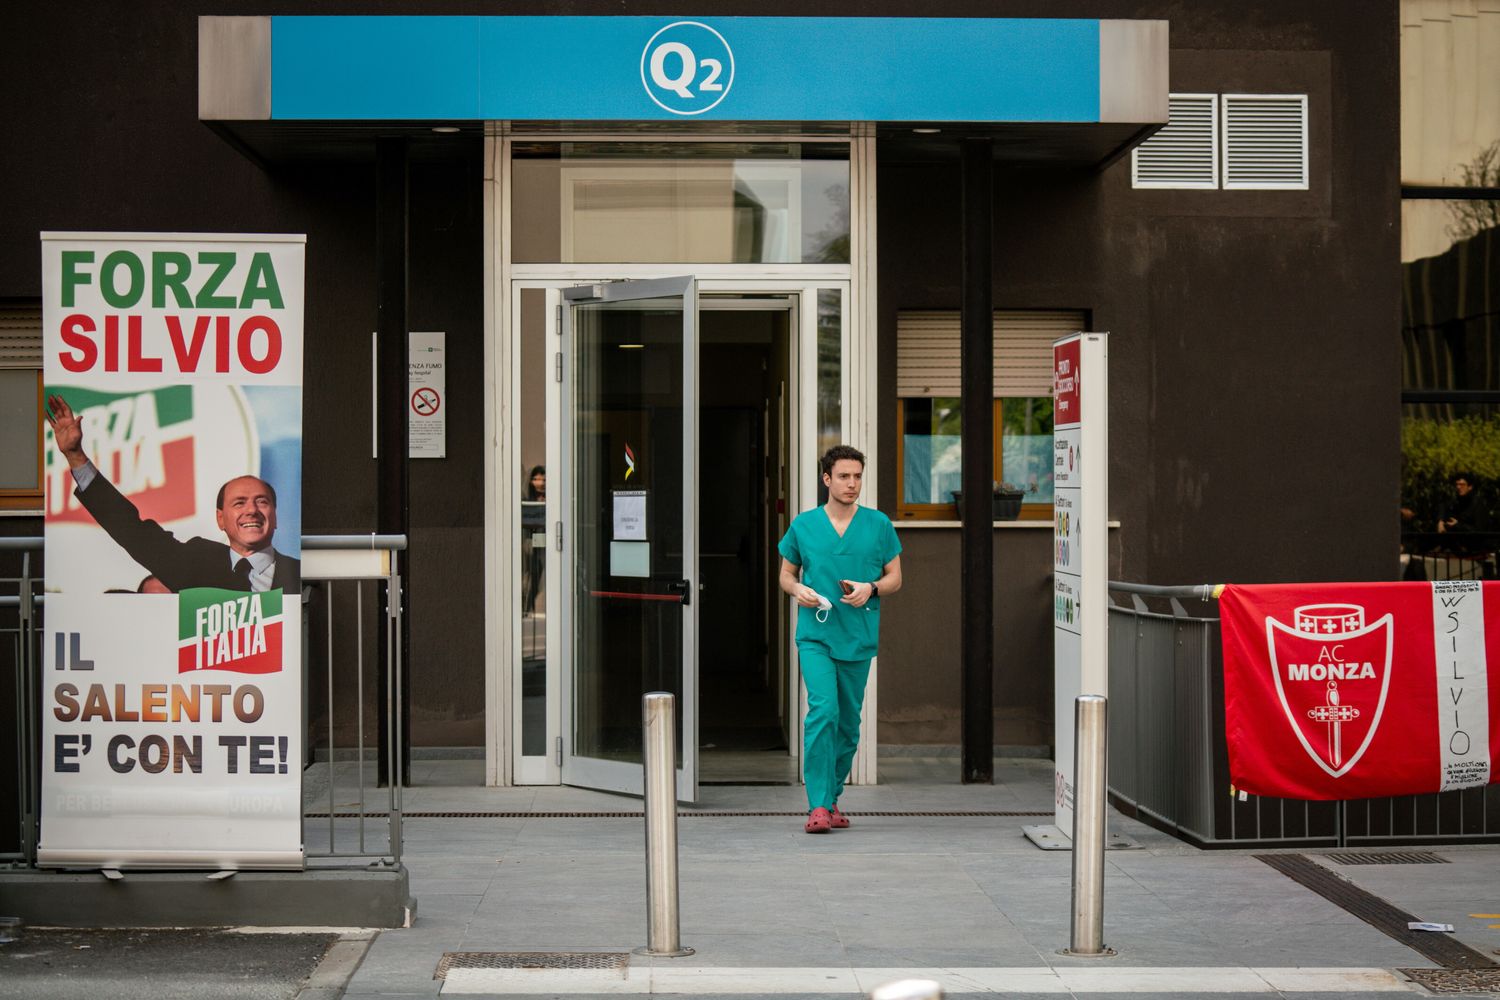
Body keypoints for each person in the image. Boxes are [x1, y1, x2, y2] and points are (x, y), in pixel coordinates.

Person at [45, 394, 300, 593]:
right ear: (220, 519)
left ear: (275, 517)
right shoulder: (196, 563)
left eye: (261, 501)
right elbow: (133, 532)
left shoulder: (298, 573)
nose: (251, 510)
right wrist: (76, 456)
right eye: (239, 503)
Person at [778, 444, 902, 834]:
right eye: (844, 476)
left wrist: (872, 588)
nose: (852, 484)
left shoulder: (878, 524)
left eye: (858, 476)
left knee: (849, 724)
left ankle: (831, 799)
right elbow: (786, 575)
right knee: (823, 711)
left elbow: (895, 577)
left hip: (858, 635)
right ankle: (816, 805)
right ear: (827, 479)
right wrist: (797, 591)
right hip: (815, 633)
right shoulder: (804, 525)